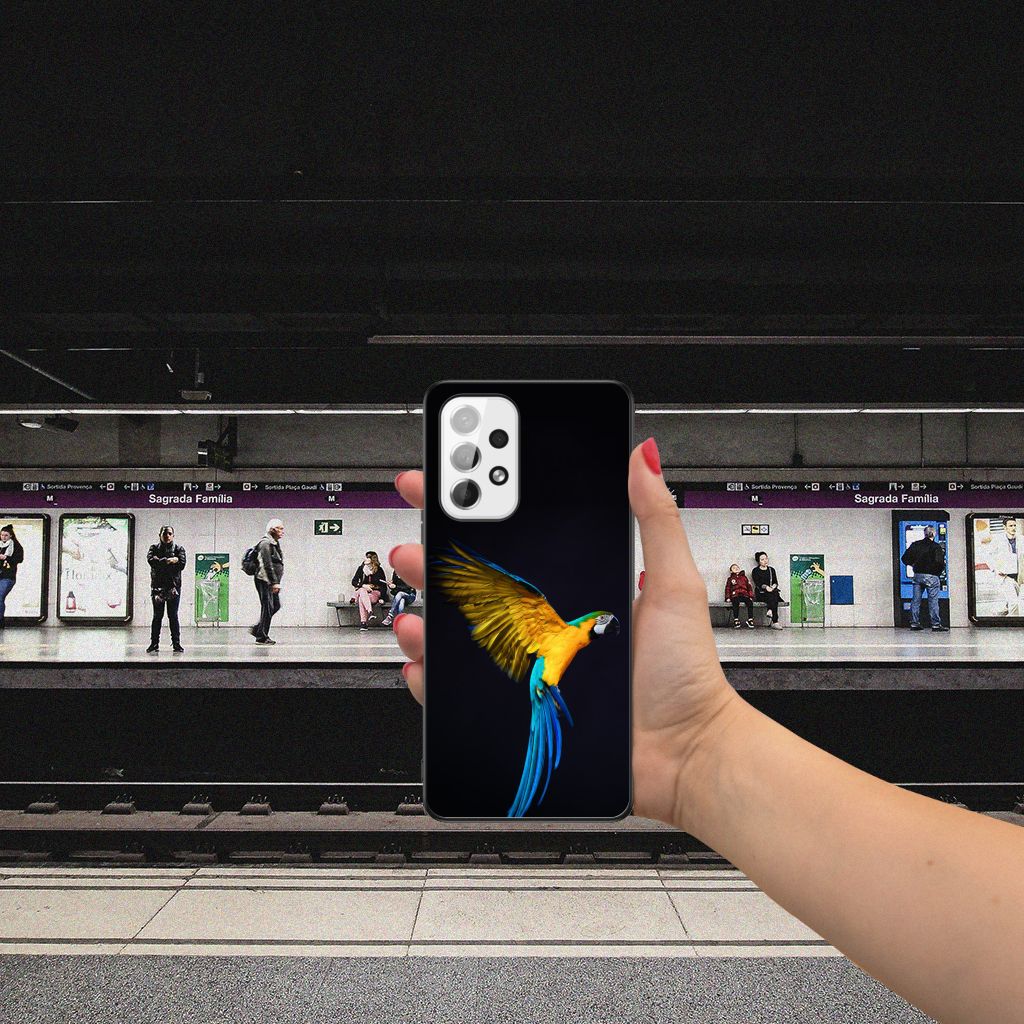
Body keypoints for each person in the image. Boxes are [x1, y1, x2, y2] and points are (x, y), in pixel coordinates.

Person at [388, 441, 1024, 1023]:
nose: (604, 628)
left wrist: (701, 741)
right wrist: (701, 743)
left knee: (529, 735)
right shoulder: (551, 621)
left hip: (567, 688)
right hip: (544, 681)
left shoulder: (580, 635)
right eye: (600, 624)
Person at [146, 525, 186, 654]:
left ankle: (176, 643)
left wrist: (162, 561)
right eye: (165, 533)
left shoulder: (179, 549)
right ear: (160, 535)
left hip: (173, 588)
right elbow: (152, 561)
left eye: (169, 533)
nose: (167, 536)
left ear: (173, 535)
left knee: (173, 616)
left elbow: (182, 564)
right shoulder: (153, 548)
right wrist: (169, 561)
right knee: (157, 616)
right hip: (157, 588)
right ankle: (154, 643)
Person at [901, 526, 948, 632]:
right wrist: (936, 573)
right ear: (934, 534)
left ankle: (914, 623)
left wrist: (913, 564)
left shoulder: (915, 545)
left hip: (917, 575)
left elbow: (904, 558)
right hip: (931, 576)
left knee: (915, 600)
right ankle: (935, 624)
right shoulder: (936, 547)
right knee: (933, 601)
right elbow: (940, 562)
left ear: (924, 534)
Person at [250, 518, 285, 645]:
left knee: (275, 605)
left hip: (270, 581)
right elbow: (266, 564)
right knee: (268, 606)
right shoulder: (265, 543)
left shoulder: (274, 543)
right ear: (272, 529)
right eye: (280, 528)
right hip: (264, 580)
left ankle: (258, 630)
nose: (282, 531)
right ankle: (261, 637)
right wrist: (273, 582)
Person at [351, 550, 389, 631]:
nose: (365, 559)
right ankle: (370, 612)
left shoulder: (379, 570)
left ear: (373, 559)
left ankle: (364, 623)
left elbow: (383, 585)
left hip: (375, 593)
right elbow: (354, 581)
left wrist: (382, 598)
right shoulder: (361, 569)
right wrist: (364, 585)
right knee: (362, 593)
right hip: (364, 592)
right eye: (366, 557)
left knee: (361, 598)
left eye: (368, 557)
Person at [0, 524, 25, 632]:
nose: (3, 537)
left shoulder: (16, 546)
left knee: (0, 596)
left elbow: (20, 559)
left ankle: (0, 620)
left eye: (6, 535)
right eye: (2, 535)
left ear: (11, 535)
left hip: (8, 576)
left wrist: (6, 557)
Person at [751, 551, 784, 629]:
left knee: (774, 594)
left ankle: (770, 611)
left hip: (772, 592)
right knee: (773, 596)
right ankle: (775, 622)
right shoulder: (755, 570)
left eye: (766, 558)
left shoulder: (771, 570)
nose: (765, 561)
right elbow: (758, 583)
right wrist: (766, 587)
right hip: (761, 593)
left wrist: (773, 587)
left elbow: (775, 582)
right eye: (762, 559)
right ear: (758, 561)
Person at [724, 562, 755, 628]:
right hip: (735, 595)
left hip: (744, 594)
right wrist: (727, 597)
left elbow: (749, 587)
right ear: (731, 571)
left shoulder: (744, 578)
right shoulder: (730, 579)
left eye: (737, 567)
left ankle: (750, 619)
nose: (736, 568)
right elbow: (727, 588)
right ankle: (736, 619)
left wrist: (751, 596)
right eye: (734, 568)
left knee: (750, 603)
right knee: (735, 603)